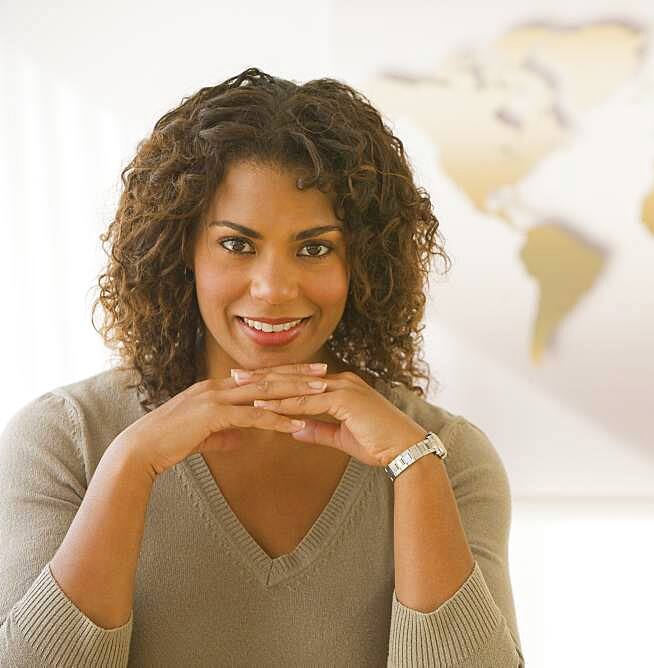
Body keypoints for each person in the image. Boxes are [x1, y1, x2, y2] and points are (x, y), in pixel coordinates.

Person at [0, 67, 524, 667]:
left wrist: (415, 469)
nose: (274, 289)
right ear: (182, 251)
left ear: (364, 263)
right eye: (237, 244)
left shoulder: (449, 458)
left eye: (315, 248)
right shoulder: (64, 439)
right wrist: (129, 464)